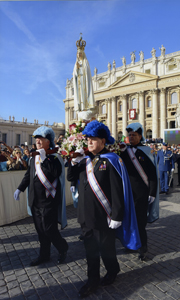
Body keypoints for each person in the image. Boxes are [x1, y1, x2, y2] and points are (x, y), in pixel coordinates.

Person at [67, 120, 141, 298]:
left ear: (102, 141)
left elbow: (117, 191)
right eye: (87, 139)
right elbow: (70, 177)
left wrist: (117, 216)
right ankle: (92, 280)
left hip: (104, 216)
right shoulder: (85, 160)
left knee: (106, 249)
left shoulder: (111, 160)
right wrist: (73, 162)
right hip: (85, 216)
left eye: (92, 139)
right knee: (90, 250)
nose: (89, 142)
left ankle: (112, 270)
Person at [14, 126, 68, 266]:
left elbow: (55, 173)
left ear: (48, 141)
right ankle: (44, 255)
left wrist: (45, 159)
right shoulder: (34, 158)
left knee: (49, 229)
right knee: (41, 231)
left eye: (41, 138)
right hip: (35, 201)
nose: (37, 141)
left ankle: (63, 247)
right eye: (36, 138)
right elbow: (28, 176)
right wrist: (20, 189)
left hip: (49, 201)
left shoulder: (55, 158)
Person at [120, 122, 158, 260]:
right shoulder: (124, 151)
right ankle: (130, 244)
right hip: (127, 193)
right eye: (129, 135)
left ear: (140, 136)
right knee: (128, 221)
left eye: (134, 135)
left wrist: (152, 193)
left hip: (141, 194)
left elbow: (153, 175)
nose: (131, 137)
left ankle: (143, 247)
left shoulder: (146, 151)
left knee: (140, 222)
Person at [73, 36, 95, 112]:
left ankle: (86, 107)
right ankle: (80, 107)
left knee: (84, 96)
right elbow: (74, 75)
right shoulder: (76, 63)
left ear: (83, 53)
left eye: (80, 53)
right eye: (78, 53)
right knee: (80, 97)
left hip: (85, 82)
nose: (79, 54)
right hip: (79, 83)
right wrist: (77, 69)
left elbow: (88, 72)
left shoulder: (85, 62)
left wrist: (82, 69)